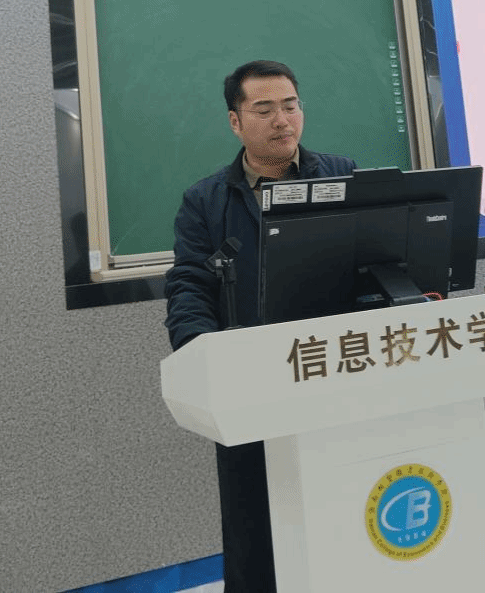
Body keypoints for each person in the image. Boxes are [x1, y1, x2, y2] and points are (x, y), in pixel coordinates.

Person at [164, 60, 355, 593]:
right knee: (258, 531)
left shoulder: (339, 174)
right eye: (265, 109)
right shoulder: (206, 201)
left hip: (333, 370)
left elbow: (372, 258)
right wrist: (201, 351)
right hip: (251, 386)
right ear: (235, 121)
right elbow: (189, 285)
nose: (282, 120)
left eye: (290, 106)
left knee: (342, 514)